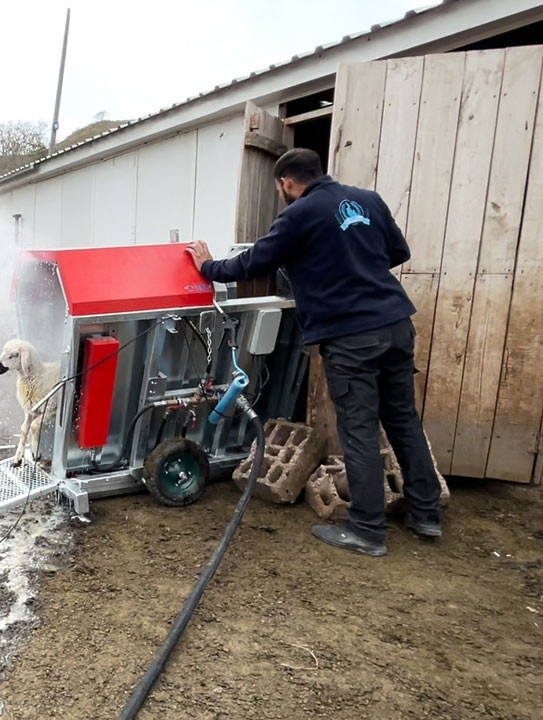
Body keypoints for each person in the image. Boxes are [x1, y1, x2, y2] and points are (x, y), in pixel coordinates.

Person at [186, 148, 443, 557]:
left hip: (352, 335)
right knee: (403, 422)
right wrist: (353, 262)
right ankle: (426, 515)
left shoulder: (299, 214)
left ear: (286, 183)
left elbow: (253, 263)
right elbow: (399, 253)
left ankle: (367, 531)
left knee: (358, 429)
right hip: (395, 324)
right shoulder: (368, 201)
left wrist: (208, 267)